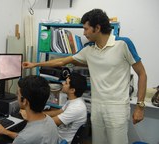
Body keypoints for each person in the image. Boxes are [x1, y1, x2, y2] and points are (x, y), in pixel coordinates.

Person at [22, 9, 147, 144]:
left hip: (117, 107)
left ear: (97, 28)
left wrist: (140, 106)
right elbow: (62, 61)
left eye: (86, 29)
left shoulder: (123, 44)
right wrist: (35, 64)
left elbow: (142, 74)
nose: (84, 33)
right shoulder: (88, 49)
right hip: (96, 106)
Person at [0, 75, 59, 144]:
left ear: (25, 101)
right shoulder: (49, 121)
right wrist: (6, 132)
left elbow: (24, 139)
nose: (16, 96)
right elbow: (28, 138)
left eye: (18, 94)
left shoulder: (24, 138)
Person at [44, 73, 88, 143]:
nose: (63, 83)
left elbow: (52, 122)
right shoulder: (73, 100)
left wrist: (32, 116)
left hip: (62, 141)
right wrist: (41, 113)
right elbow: (59, 112)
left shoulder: (76, 107)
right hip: (58, 135)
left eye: (66, 83)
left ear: (72, 90)